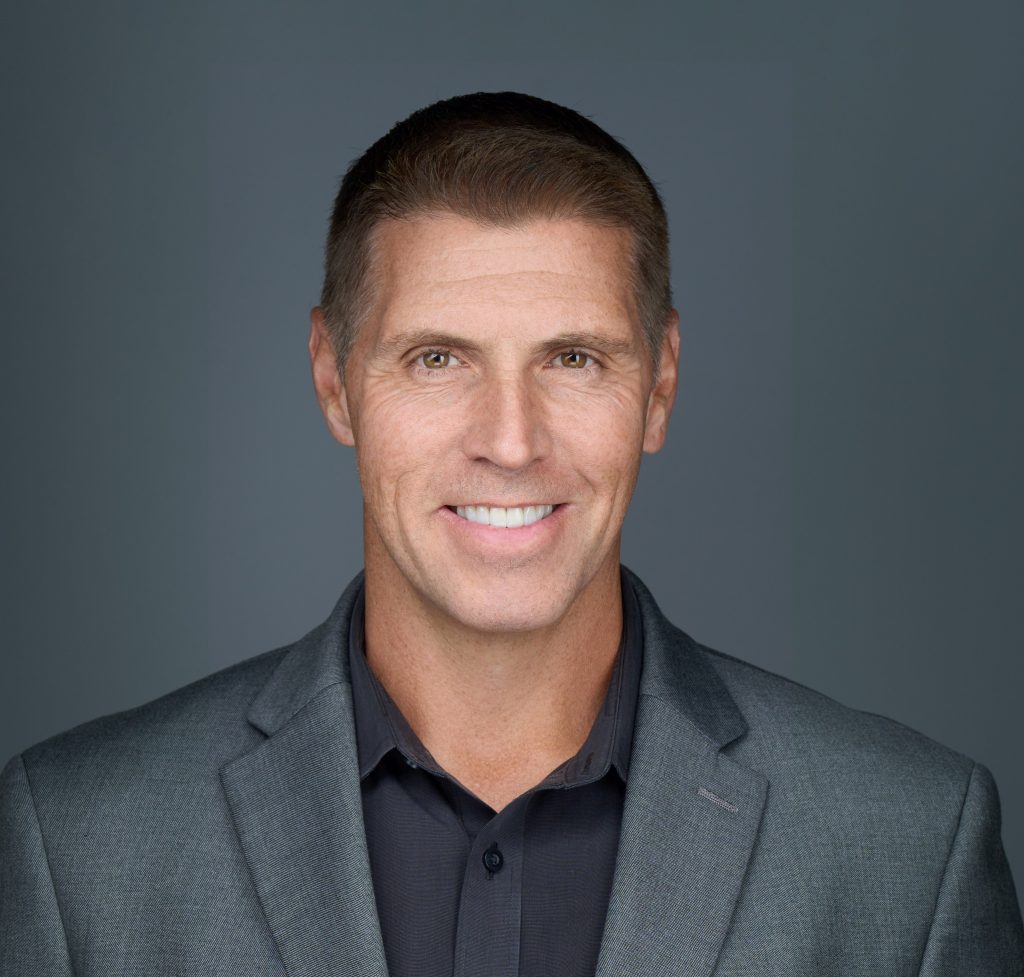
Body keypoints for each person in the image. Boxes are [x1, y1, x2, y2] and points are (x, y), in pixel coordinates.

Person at [1, 91, 1021, 977]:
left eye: (573, 358)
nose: (509, 439)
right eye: (438, 358)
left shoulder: (905, 847)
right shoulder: (81, 845)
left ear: (659, 383)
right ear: (331, 376)